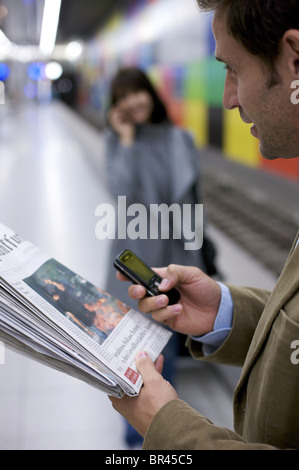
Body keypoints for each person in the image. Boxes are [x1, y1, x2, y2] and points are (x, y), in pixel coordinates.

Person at [109, 0, 299, 450]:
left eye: (233, 69)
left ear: (294, 59)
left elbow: (173, 192)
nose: (228, 98)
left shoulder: (175, 139)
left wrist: (168, 426)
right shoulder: (121, 140)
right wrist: (225, 314)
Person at [104, 66, 219, 447]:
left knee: (166, 352)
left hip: (173, 260)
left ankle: (164, 433)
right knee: (133, 358)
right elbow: (121, 190)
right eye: (121, 99)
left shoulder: (178, 138)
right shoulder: (118, 142)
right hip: (135, 262)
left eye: (135, 92)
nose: (131, 102)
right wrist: (126, 140)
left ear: (150, 93)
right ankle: (134, 439)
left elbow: (188, 200)